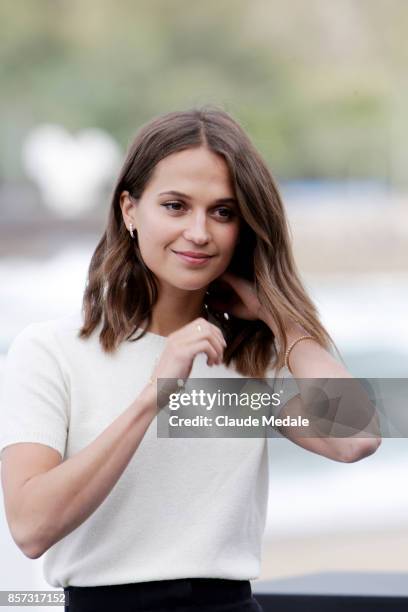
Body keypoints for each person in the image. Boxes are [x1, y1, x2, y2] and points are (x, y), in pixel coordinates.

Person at [0, 108, 381, 612]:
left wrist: (282, 320)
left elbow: (356, 438)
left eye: (222, 212)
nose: (199, 232)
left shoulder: (246, 356)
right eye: (176, 206)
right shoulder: (50, 350)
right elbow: (31, 526)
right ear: (130, 210)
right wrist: (153, 395)